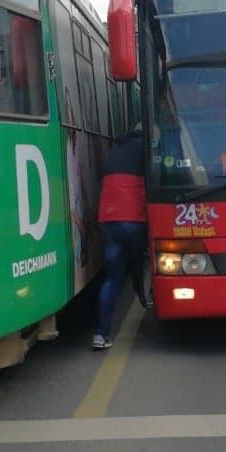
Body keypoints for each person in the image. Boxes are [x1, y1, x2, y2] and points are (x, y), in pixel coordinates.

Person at [93, 127, 149, 350]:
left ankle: (101, 334)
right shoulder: (145, 147)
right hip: (132, 217)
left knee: (113, 278)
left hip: (108, 218)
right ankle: (145, 298)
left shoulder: (115, 149)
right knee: (145, 259)